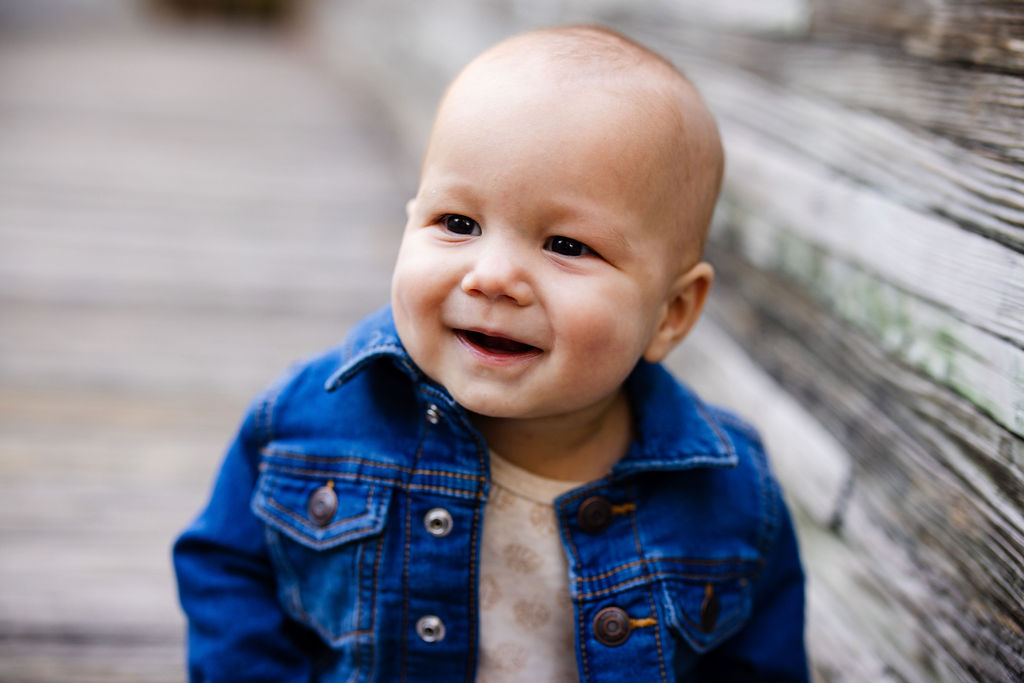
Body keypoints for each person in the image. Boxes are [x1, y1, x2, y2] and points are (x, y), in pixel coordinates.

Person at [173, 24, 808, 682]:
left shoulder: (729, 495)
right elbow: (226, 568)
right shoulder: (309, 422)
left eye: (565, 244)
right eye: (458, 224)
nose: (492, 276)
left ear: (671, 314)